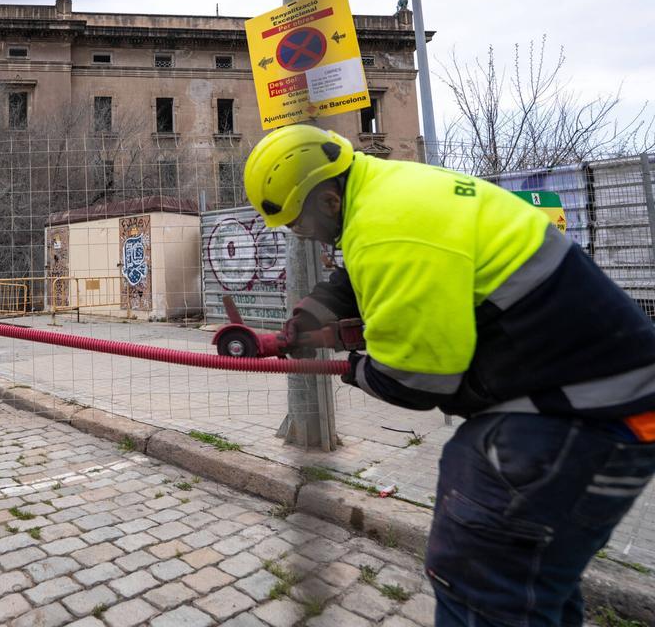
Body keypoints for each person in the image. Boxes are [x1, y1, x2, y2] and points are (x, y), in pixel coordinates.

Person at [244, 124, 655, 626]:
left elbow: (415, 380)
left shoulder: (386, 227)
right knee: (528, 585)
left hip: (586, 415)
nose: (297, 234)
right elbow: (366, 270)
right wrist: (318, 310)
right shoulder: (392, 188)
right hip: (594, 399)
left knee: (480, 567)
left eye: (296, 221)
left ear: (329, 202)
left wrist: (355, 367)